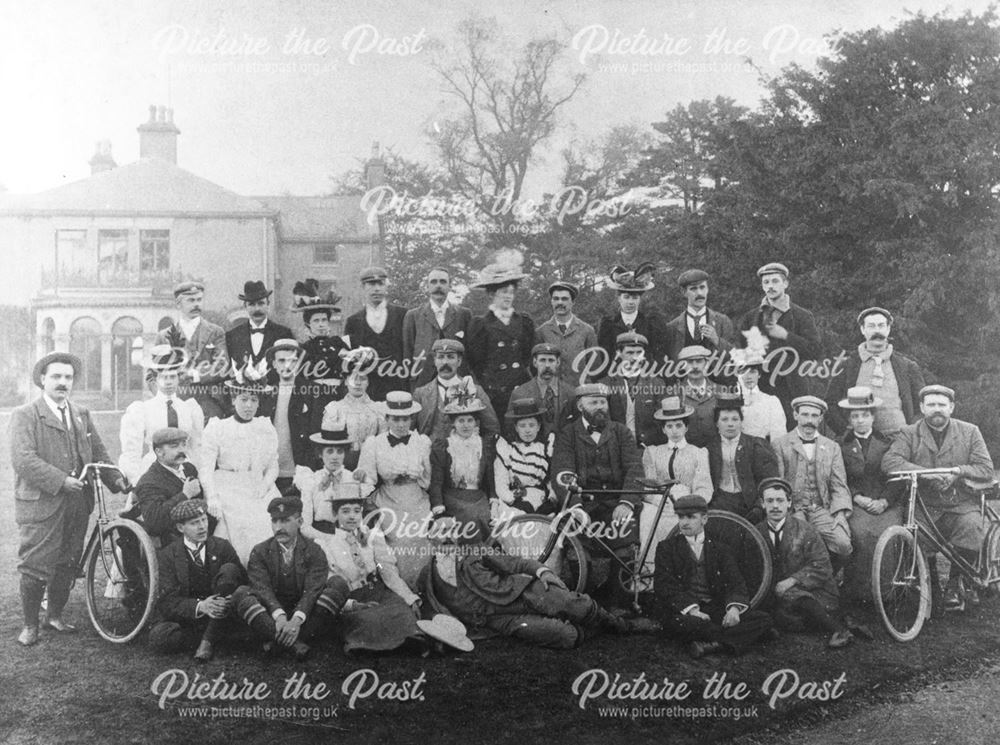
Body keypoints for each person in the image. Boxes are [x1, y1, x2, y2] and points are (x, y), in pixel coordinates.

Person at [11, 352, 125, 646]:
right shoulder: (26, 414)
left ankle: (55, 616)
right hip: (41, 504)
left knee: (68, 562)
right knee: (36, 563)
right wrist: (61, 481)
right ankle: (30, 624)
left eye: (68, 377)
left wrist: (117, 479)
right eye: (56, 377)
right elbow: (23, 459)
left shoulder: (81, 413)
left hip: (77, 503)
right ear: (42, 380)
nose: (63, 383)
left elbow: (98, 451)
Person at [422, 520, 658, 648]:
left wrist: (542, 571)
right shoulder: (428, 575)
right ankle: (595, 626)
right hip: (499, 620)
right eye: (440, 532)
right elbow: (432, 609)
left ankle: (622, 626)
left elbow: (516, 564)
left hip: (524, 592)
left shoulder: (476, 551)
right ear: (430, 539)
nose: (447, 536)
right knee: (565, 636)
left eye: (451, 530)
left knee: (577, 607)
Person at [882, 384, 996, 611]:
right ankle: (928, 586)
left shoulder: (970, 431)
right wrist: (927, 474)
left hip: (960, 503)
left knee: (972, 527)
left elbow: (985, 468)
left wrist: (958, 472)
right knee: (915, 536)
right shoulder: (909, 433)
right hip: (925, 505)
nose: (937, 410)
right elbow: (890, 462)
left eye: (942, 405)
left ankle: (956, 582)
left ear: (951, 407)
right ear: (922, 408)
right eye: (931, 405)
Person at [551, 383, 644, 603]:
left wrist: (627, 502)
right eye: (594, 402)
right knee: (577, 549)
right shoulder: (568, 434)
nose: (600, 407)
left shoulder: (621, 431)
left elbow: (634, 468)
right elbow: (562, 472)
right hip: (583, 505)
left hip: (615, 503)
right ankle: (586, 598)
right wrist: (575, 506)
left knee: (623, 548)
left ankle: (618, 602)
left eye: (603, 402)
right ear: (580, 405)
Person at [653, 494, 774, 659]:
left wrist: (734, 609)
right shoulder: (666, 548)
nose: (684, 522)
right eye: (681, 517)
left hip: (713, 609)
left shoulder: (721, 549)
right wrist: (693, 610)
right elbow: (664, 586)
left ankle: (714, 644)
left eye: (691, 517)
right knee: (686, 624)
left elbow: (736, 583)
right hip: (685, 612)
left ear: (704, 519)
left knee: (764, 618)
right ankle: (735, 638)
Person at [233, 497, 350, 660]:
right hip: (272, 616)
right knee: (241, 593)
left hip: (305, 615)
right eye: (275, 521)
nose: (279, 528)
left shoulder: (314, 550)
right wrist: (280, 616)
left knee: (338, 584)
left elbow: (312, 590)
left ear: (300, 521)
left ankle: (281, 639)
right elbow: (262, 589)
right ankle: (295, 643)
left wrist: (295, 621)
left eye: (286, 521)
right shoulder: (260, 551)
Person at [755, 478, 856, 649]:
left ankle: (838, 630)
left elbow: (822, 565)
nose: (775, 506)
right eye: (770, 501)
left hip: (815, 591)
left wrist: (792, 580)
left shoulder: (805, 530)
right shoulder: (756, 532)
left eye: (780, 500)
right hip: (777, 592)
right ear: (762, 504)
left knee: (792, 600)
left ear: (789, 503)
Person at [147, 499, 246, 661]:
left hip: (224, 608)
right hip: (192, 618)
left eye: (204, 520)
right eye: (194, 523)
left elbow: (241, 579)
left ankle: (208, 639)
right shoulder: (168, 556)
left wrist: (228, 597)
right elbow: (168, 601)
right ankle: (218, 636)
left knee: (229, 569)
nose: (202, 527)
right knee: (159, 637)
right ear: (180, 528)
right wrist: (201, 606)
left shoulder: (222, 546)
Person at [355, 391, 434, 587]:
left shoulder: (421, 442)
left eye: (405, 419)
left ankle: (425, 588)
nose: (401, 424)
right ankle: (402, 589)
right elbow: (368, 479)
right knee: (399, 540)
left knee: (421, 538)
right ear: (387, 418)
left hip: (417, 497)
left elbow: (428, 477)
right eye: (396, 419)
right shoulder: (375, 443)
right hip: (389, 497)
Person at [201, 375, 281, 563]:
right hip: (228, 486)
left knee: (268, 521)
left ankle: (268, 572)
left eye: (253, 400)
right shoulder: (218, 428)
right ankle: (240, 572)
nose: (248, 406)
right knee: (240, 526)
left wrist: (266, 484)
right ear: (233, 399)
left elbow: (273, 465)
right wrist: (211, 496)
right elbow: (205, 468)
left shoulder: (264, 427)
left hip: (258, 485)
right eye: (243, 399)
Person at [639, 397, 713, 586]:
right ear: (663, 429)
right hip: (658, 503)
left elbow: (704, 486)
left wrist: (690, 501)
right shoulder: (653, 452)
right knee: (647, 515)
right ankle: (648, 576)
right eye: (669, 426)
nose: (674, 431)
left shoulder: (698, 453)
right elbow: (648, 486)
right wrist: (658, 500)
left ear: (686, 427)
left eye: (678, 425)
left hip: (686, 502)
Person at [835, 387, 901, 602]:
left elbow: (897, 478)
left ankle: (886, 593)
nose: (861, 420)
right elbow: (838, 478)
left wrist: (884, 501)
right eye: (855, 416)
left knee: (888, 534)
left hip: (886, 504)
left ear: (873, 416)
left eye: (865, 415)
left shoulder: (888, 444)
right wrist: (856, 497)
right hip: (857, 504)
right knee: (861, 535)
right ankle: (858, 593)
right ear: (849, 419)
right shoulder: (840, 446)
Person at [771, 396, 853, 567]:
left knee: (843, 543)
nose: (809, 421)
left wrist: (839, 513)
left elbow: (839, 484)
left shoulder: (832, 447)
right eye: (805, 415)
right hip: (794, 510)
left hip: (821, 509)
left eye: (814, 416)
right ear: (795, 415)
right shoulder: (780, 444)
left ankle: (827, 576)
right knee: (796, 547)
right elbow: (777, 485)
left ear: (821, 418)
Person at [738, 263, 821, 424]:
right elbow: (742, 353)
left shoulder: (801, 316)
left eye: (775, 281)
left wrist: (785, 335)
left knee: (791, 434)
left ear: (785, 284)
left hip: (793, 389)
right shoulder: (751, 317)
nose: (770, 286)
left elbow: (815, 350)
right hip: (761, 388)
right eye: (766, 282)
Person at [825, 307, 925, 436]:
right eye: (871, 326)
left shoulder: (907, 366)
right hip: (861, 441)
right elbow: (830, 404)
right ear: (863, 330)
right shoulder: (847, 365)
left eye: (881, 326)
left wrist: (911, 432)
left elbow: (923, 405)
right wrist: (846, 433)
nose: (877, 331)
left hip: (900, 439)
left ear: (888, 329)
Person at [118, 345, 204, 486]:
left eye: (172, 376)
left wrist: (198, 477)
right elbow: (131, 452)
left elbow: (196, 448)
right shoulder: (143, 409)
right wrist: (137, 482)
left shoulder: (188, 408)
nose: (169, 382)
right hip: (154, 470)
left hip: (184, 469)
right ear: (156, 379)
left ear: (178, 378)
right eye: (164, 377)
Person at [467, 263, 535, 419]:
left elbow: (528, 357)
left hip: (520, 390)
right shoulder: (480, 324)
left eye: (511, 292)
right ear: (492, 294)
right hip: (493, 392)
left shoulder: (524, 322)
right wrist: (487, 387)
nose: (508, 296)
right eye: (504, 292)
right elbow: (475, 362)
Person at [429, 386, 497, 543]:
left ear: (476, 422)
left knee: (485, 518)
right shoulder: (444, 446)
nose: (466, 425)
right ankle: (466, 562)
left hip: (478, 496)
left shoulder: (483, 445)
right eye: (461, 421)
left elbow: (489, 477)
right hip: (453, 497)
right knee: (469, 518)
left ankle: (482, 562)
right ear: (453, 423)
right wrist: (438, 506)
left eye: (469, 420)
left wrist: (493, 499)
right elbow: (437, 481)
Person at [157, 281, 230, 422]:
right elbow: (152, 375)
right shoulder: (163, 336)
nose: (196, 304)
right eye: (191, 300)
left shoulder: (215, 332)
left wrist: (193, 374)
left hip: (209, 403)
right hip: (175, 403)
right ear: (178, 304)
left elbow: (222, 366)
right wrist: (162, 399)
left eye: (199, 300)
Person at [289, 279, 351, 432]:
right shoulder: (303, 349)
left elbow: (349, 369)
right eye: (316, 321)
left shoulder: (338, 343)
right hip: (315, 400)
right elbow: (301, 378)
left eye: (324, 320)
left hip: (340, 397)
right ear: (308, 325)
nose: (321, 324)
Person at [134, 427, 212, 546]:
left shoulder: (189, 469)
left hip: (199, 535)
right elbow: (154, 522)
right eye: (174, 446)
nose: (182, 450)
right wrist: (185, 495)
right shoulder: (149, 482)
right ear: (159, 452)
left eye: (184, 445)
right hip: (172, 544)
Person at [706, 398, 779, 521]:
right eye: (724, 419)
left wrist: (758, 507)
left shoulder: (756, 445)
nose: (730, 424)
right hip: (719, 503)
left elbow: (768, 481)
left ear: (741, 422)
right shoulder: (709, 449)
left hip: (749, 505)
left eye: (735, 419)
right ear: (717, 423)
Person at [413, 339, 500, 443]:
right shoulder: (420, 394)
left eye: (450, 357)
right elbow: (410, 430)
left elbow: (492, 429)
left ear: (459, 361)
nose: (445, 362)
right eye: (441, 357)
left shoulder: (475, 391)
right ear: (435, 361)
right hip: (430, 454)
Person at [257, 338, 316, 491]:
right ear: (274, 364)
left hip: (300, 471)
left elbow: (315, 432)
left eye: (292, 361)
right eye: (281, 361)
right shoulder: (266, 394)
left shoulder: (311, 391)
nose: (287, 366)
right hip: (271, 472)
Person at [344, 266, 408, 402]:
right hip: (368, 390)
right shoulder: (353, 321)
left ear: (386, 286)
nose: (377, 288)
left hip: (398, 385)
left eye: (381, 283)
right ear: (363, 287)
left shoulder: (403, 315)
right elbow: (349, 359)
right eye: (371, 284)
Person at [402, 267, 473, 390]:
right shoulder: (413, 316)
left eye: (443, 282)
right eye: (434, 282)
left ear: (449, 286)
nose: (438, 286)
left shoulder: (464, 314)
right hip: (422, 382)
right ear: (427, 287)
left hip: (457, 382)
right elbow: (407, 352)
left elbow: (470, 352)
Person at [318, 347, 386, 471]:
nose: (358, 383)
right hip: (342, 466)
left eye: (363, 379)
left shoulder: (378, 409)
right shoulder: (335, 408)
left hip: (372, 467)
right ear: (345, 382)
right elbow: (329, 446)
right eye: (353, 378)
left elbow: (383, 444)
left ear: (368, 382)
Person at [596, 263, 668, 376]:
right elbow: (605, 356)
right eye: (626, 297)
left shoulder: (651, 323)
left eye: (635, 298)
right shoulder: (608, 324)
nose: (630, 302)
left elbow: (658, 356)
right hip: (616, 379)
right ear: (619, 298)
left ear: (640, 299)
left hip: (645, 378)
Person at [601, 332, 670, 447]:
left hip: (648, 446)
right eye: (629, 353)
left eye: (639, 352)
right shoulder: (605, 384)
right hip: (616, 446)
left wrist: (646, 440)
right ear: (619, 353)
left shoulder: (657, 383)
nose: (634, 358)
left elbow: (661, 420)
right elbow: (604, 420)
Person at [493, 399, 556, 521]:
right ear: (516, 427)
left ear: (538, 427)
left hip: (541, 502)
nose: (527, 430)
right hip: (515, 503)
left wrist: (551, 501)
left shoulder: (545, 450)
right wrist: (512, 500)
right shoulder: (507, 450)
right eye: (522, 426)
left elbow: (552, 481)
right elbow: (501, 483)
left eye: (532, 425)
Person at [534, 280, 598, 390]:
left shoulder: (587, 331)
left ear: (573, 302)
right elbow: (535, 367)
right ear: (551, 302)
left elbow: (595, 367)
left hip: (579, 392)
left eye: (564, 299)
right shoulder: (542, 331)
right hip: (551, 393)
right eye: (556, 299)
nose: (560, 303)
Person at [664, 269, 736, 362]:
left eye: (702, 287)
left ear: (707, 289)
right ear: (684, 292)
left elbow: (735, 356)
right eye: (693, 289)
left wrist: (717, 340)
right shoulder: (672, 328)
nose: (699, 293)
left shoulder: (723, 321)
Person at [225, 280, 293, 372]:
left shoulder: (283, 333)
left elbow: (290, 368)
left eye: (261, 303)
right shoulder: (232, 336)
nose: (257, 309)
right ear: (245, 306)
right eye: (252, 304)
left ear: (268, 304)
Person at [507, 343, 575, 433]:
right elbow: (511, 427)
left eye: (551, 361)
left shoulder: (571, 392)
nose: (547, 365)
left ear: (558, 362)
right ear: (535, 363)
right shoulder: (519, 393)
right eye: (542, 360)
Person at [732, 345, 787, 442]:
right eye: (743, 372)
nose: (748, 377)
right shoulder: (730, 400)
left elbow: (778, 437)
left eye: (752, 372)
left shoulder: (771, 402)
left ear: (759, 375)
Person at [675, 345, 722, 448]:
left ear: (706, 364)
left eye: (699, 361)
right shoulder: (675, 393)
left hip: (714, 451)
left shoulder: (719, 391)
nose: (695, 366)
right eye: (690, 362)